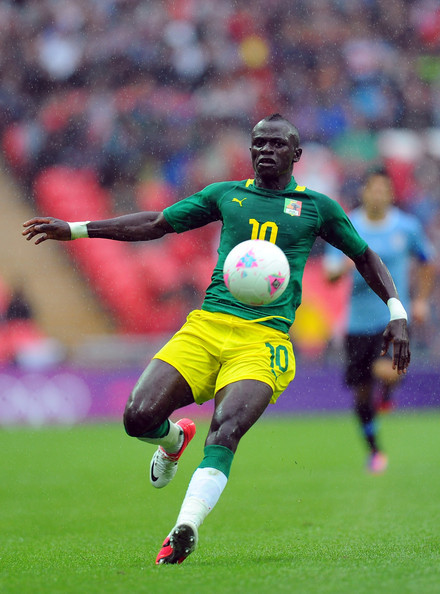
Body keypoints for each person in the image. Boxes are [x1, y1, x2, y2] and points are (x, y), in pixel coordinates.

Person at [22, 114, 410, 564]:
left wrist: (396, 311)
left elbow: (364, 256)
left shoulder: (317, 207)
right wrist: (76, 229)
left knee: (225, 429)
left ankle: (184, 527)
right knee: (137, 417)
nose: (266, 150)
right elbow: (157, 223)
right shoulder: (226, 195)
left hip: (263, 340)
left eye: (277, 144)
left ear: (296, 154)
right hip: (207, 327)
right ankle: (173, 441)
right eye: (259, 143)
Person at [324, 168, 435, 473]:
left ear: (391, 193)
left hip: (394, 318)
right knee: (361, 394)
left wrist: (421, 300)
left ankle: (386, 393)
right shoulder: (348, 226)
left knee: (388, 372)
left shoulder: (407, 227)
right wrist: (344, 267)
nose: (378, 195)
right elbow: (330, 274)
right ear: (363, 192)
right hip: (358, 324)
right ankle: (374, 450)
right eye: (373, 189)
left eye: (384, 189)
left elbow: (428, 262)